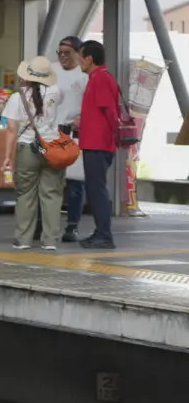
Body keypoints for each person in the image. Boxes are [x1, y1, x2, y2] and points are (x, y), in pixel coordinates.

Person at [0, 56, 63, 251]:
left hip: (28, 147)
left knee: (26, 194)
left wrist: (8, 157)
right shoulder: (55, 91)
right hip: (50, 148)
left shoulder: (17, 97)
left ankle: (23, 239)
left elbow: (11, 129)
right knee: (51, 194)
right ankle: (50, 240)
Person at [73, 39, 122, 250]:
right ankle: (100, 231)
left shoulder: (100, 78)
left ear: (89, 59)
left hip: (99, 143)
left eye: (80, 58)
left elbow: (110, 111)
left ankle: (104, 234)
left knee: (96, 189)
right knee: (95, 188)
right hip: (95, 141)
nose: (79, 62)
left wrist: (112, 137)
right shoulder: (97, 77)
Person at [54, 36, 88, 242]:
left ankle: (72, 226)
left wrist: (82, 118)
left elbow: (91, 101)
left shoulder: (84, 74)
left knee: (74, 181)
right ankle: (43, 225)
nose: (63, 57)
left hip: (72, 134)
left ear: (78, 53)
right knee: (49, 179)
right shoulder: (51, 70)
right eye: (60, 53)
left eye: (67, 53)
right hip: (50, 133)